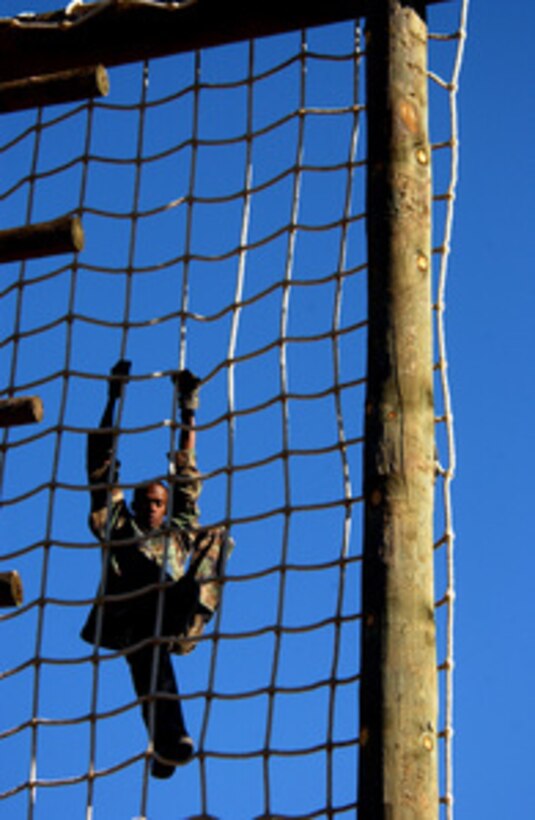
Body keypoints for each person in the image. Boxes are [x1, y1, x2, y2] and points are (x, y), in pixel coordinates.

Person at [81, 360, 231, 779]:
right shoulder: (119, 526)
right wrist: (114, 398)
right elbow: (100, 467)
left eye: (157, 503)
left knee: (215, 535)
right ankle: (167, 745)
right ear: (133, 503)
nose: (150, 507)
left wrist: (189, 409)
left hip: (174, 607)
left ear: (165, 510)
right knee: (152, 668)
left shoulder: (175, 536)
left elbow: (187, 477)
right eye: (144, 501)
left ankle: (167, 743)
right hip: (133, 617)